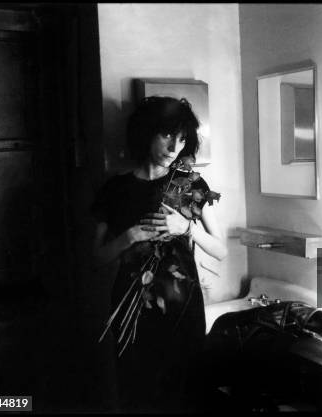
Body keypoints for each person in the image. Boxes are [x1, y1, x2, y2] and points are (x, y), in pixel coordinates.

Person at [90, 96, 227, 412]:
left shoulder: (189, 184)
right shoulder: (116, 189)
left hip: (183, 311)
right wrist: (130, 236)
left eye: (181, 140)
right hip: (132, 311)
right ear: (146, 132)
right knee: (137, 391)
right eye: (167, 135)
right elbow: (95, 258)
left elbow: (220, 251)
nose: (173, 147)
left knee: (186, 392)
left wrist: (187, 228)